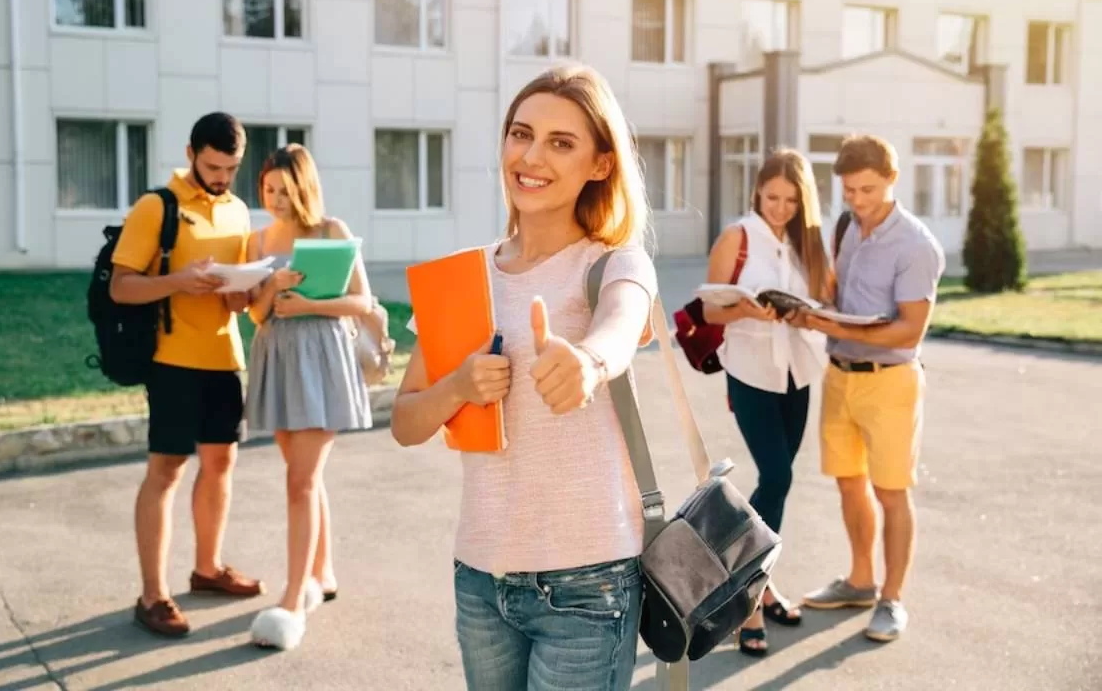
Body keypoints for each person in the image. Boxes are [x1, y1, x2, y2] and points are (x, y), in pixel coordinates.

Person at [391, 64, 657, 691]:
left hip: (588, 582)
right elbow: (404, 423)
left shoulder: (615, 262)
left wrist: (589, 363)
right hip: (480, 578)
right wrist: (457, 387)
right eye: (521, 134)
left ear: (600, 164)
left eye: (561, 143)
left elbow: (621, 325)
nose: (531, 156)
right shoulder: (459, 277)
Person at [110, 112, 264, 638]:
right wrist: (178, 281)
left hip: (226, 359)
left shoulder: (239, 211)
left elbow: (239, 300)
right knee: (167, 470)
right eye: (213, 165)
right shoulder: (158, 206)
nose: (221, 176)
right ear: (191, 152)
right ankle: (152, 595)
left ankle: (208, 568)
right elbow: (122, 287)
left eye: (231, 167)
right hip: (172, 360)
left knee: (221, 464)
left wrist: (242, 293)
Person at [792, 134, 945, 643]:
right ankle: (860, 580)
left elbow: (910, 330)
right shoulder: (847, 228)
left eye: (869, 189)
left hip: (891, 383)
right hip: (840, 377)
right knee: (848, 483)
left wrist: (839, 327)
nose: (858, 200)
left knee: (891, 492)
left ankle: (892, 599)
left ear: (893, 180)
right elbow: (838, 289)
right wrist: (815, 307)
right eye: (850, 190)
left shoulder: (916, 244)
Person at [243, 144, 375, 650]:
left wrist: (309, 304)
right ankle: (324, 571)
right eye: (267, 190)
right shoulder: (259, 240)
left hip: (320, 359)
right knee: (307, 478)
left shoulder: (330, 231)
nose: (275, 199)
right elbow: (255, 315)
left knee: (299, 481)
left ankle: (295, 596)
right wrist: (272, 286)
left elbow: (362, 301)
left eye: (284, 189)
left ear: (304, 187)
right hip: (276, 359)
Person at [702, 149, 830, 657]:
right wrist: (747, 308)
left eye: (791, 201)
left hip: (799, 373)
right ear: (757, 192)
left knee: (777, 485)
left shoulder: (806, 243)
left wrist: (804, 314)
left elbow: (822, 300)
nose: (780, 208)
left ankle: (763, 581)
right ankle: (746, 596)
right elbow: (709, 306)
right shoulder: (737, 236)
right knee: (776, 477)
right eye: (772, 198)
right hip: (751, 371)